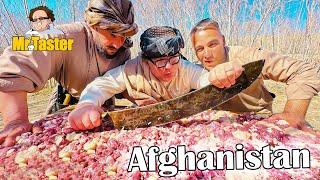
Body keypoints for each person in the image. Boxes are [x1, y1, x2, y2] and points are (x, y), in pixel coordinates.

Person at [0, 0, 138, 147]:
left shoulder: (123, 51)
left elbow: (126, 85)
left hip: (103, 105)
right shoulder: (65, 36)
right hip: (67, 99)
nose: (117, 43)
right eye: (112, 33)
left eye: (123, 35)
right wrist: (16, 120)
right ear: (93, 24)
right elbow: (14, 63)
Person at [68, 26, 241, 131]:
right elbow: (101, 85)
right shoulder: (132, 70)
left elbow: (206, 79)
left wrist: (219, 75)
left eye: (173, 59)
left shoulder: (185, 68)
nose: (169, 67)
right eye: (160, 62)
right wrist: (86, 104)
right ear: (146, 60)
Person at [190, 18, 320, 130]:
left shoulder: (250, 57)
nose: (206, 54)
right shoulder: (194, 72)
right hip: (218, 125)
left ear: (223, 41)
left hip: (259, 122)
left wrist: (293, 113)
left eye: (212, 45)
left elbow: (303, 71)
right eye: (200, 49)